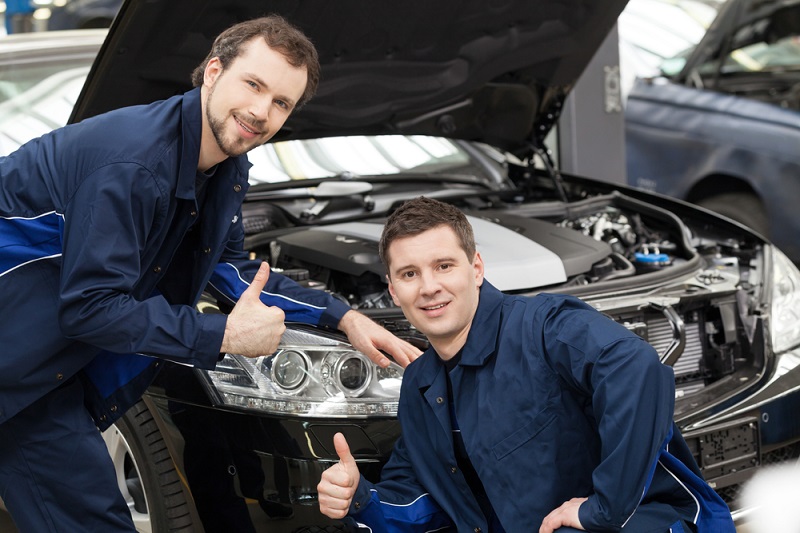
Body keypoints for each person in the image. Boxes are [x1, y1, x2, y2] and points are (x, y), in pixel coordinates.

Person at [0, 15, 419, 532]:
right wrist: (222, 334)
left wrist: (343, 318)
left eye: (282, 103)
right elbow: (90, 306)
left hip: (34, 369)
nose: (262, 112)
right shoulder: (134, 165)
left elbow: (228, 266)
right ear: (214, 71)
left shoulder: (224, 166)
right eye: (254, 84)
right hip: (18, 363)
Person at [317, 196, 736, 532]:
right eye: (409, 274)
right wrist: (361, 499)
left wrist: (603, 509)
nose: (429, 287)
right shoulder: (422, 387)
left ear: (476, 268)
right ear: (392, 291)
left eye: (444, 266)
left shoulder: (543, 326)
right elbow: (424, 497)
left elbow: (636, 368)